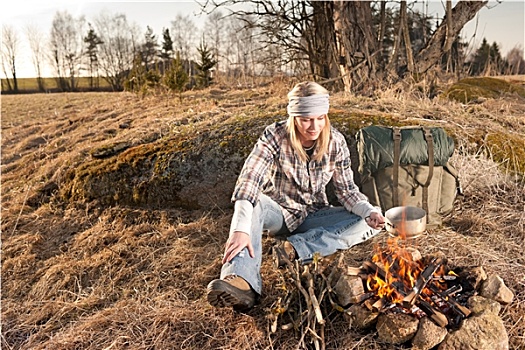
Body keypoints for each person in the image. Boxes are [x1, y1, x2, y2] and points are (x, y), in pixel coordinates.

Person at [207, 81, 385, 311]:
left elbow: (347, 191)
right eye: (306, 119)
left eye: (320, 118)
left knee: (368, 220)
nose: (314, 126)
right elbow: (249, 180)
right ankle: (241, 280)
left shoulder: (336, 142)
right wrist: (240, 228)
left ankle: (294, 249)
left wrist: (368, 212)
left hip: (315, 214)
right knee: (256, 202)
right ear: (294, 117)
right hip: (279, 213)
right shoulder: (274, 135)